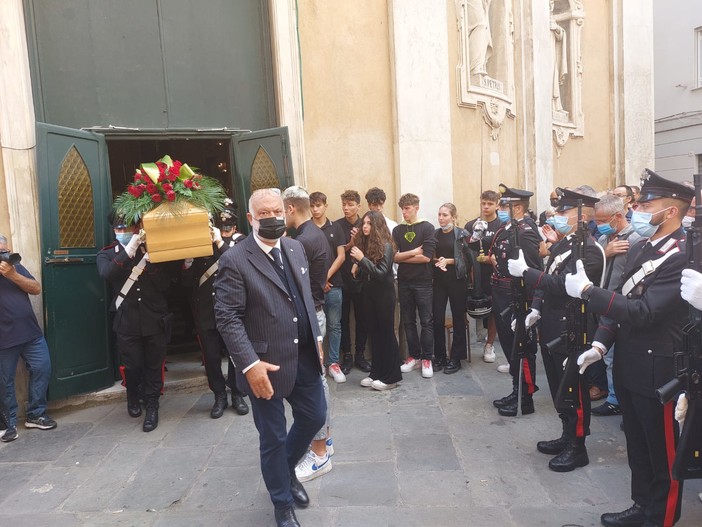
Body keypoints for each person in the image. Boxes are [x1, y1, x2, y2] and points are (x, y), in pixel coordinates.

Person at [564, 170, 691, 527]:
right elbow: (620, 301)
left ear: (670, 212)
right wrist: (601, 344)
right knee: (638, 447)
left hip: (659, 369)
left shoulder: (682, 255)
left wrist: (590, 292)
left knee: (663, 453)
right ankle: (641, 506)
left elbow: (645, 311)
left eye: (647, 204)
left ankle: (662, 518)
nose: (638, 209)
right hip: (629, 366)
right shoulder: (641, 247)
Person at [214, 188, 326, 527]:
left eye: (277, 210)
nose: (273, 217)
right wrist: (248, 364)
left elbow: (304, 299)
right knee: (274, 437)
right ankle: (282, 504)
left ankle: (285, 469)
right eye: (264, 213)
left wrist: (317, 339)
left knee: (314, 416)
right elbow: (227, 317)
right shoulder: (234, 259)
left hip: (304, 356)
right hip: (264, 366)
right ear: (251, 219)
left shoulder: (294, 247)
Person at [508, 188, 604, 472]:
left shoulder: (590, 250)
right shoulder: (564, 245)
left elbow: (565, 287)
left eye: (563, 213)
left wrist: (527, 273)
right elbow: (548, 279)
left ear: (581, 216)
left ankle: (578, 446)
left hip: (573, 330)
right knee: (559, 388)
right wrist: (535, 309)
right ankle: (566, 435)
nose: (557, 217)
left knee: (574, 390)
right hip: (552, 328)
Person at [97, 217, 178, 433]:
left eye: (127, 227)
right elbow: (106, 273)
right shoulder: (107, 253)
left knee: (154, 365)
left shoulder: (150, 249)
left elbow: (165, 285)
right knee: (132, 365)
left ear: (137, 228)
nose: (123, 230)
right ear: (114, 229)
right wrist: (129, 250)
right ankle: (133, 394)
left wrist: (151, 262)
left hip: (154, 319)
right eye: (118, 227)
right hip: (127, 321)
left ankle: (152, 404)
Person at [282, 186, 335, 484]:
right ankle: (323, 444)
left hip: (310, 317)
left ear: (290, 208)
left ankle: (319, 454)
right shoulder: (312, 235)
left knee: (315, 384)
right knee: (318, 382)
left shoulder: (302, 241)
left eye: (280, 210)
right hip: (314, 311)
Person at [181, 202, 249, 418]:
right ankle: (219, 395)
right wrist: (188, 264)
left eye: (228, 227)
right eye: (221, 227)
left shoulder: (241, 243)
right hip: (207, 312)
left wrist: (220, 241)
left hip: (232, 310)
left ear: (235, 227)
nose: (224, 230)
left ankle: (237, 393)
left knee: (235, 354)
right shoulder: (203, 246)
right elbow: (186, 283)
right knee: (211, 357)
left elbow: (239, 263)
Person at [489, 185, 544, 416]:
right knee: (511, 347)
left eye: (504, 206)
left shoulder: (526, 230)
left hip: (517, 297)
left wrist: (530, 305)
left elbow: (531, 269)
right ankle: (516, 388)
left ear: (518, 207)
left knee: (522, 347)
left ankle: (525, 397)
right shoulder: (508, 228)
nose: (501, 209)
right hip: (503, 295)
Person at [0, 234, 57, 443]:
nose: (5, 254)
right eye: (1, 252)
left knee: (43, 368)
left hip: (30, 333)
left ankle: (36, 414)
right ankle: (8, 424)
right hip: (4, 339)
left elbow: (35, 288)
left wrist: (13, 275)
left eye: (6, 250)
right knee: (4, 382)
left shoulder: (13, 268)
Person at [591, 194, 642, 417]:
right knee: (607, 355)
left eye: (603, 220)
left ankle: (618, 401)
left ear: (618, 216)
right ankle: (615, 397)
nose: (598, 225)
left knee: (617, 358)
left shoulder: (636, 239)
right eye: (597, 221)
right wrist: (605, 252)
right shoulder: (605, 240)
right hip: (604, 304)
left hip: (623, 306)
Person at [351, 211, 403, 389]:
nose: (365, 226)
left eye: (369, 223)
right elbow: (368, 270)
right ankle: (376, 373)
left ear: (378, 226)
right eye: (364, 223)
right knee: (374, 335)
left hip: (384, 295)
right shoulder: (366, 244)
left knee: (386, 334)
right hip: (369, 294)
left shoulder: (387, 245)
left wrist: (361, 260)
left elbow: (381, 273)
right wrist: (357, 266)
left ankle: (391, 378)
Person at [393, 193, 437, 379]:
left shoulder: (427, 228)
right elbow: (393, 257)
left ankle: (427, 358)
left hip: (423, 282)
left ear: (416, 208)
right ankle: (414, 356)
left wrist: (404, 257)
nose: (405, 212)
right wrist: (412, 253)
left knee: (426, 321)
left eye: (408, 208)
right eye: (402, 208)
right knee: (408, 321)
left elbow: (426, 257)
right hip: (404, 282)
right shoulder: (397, 230)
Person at [309, 192, 346, 383]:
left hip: (334, 285)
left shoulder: (336, 228)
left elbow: (341, 256)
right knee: (315, 328)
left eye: (318, 205)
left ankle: (333, 363)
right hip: (313, 288)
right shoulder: (305, 230)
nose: (315, 209)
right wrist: (318, 282)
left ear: (325, 205)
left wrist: (325, 277)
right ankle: (319, 363)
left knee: (334, 325)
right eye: (312, 206)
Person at [432, 203, 471, 373]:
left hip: (457, 281)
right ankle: (440, 356)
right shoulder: (434, 234)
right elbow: (430, 256)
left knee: (458, 318)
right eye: (439, 214)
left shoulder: (461, 235)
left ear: (453, 217)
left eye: (445, 215)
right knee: (437, 318)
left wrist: (449, 261)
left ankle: (456, 358)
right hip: (439, 282)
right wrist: (437, 262)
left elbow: (469, 261)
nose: (441, 218)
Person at [464, 190, 502, 365]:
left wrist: (489, 259)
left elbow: (504, 253)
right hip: (473, 274)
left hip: (493, 274)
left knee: (493, 309)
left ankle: (489, 344)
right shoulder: (472, 224)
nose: (486, 207)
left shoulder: (501, 225)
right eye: (483, 203)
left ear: (497, 205)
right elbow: (464, 249)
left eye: (490, 204)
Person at [337, 190, 370, 375]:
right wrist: (350, 242)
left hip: (362, 280)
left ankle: (360, 355)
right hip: (342, 279)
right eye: (344, 204)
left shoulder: (366, 223)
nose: (346, 208)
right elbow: (336, 253)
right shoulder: (336, 226)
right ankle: (347, 356)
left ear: (359, 206)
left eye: (350, 205)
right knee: (342, 320)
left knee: (362, 319)